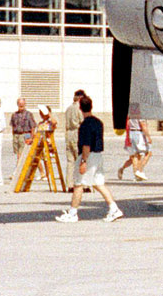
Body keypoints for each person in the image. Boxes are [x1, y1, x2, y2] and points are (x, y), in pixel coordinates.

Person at [57, 96, 121, 224]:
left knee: (79, 184)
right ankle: (114, 208)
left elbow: (86, 145)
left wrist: (83, 161)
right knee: (98, 183)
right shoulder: (98, 122)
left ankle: (73, 213)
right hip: (98, 155)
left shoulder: (85, 125)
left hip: (89, 156)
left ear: (80, 108)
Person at [118, 106, 152, 180]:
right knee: (148, 153)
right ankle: (139, 171)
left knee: (135, 156)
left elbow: (127, 124)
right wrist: (148, 137)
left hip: (131, 133)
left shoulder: (131, 112)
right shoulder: (140, 113)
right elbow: (143, 125)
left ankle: (136, 174)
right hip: (138, 133)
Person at [62, 90, 86, 182]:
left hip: (68, 134)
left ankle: (70, 184)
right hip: (77, 133)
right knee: (81, 159)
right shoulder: (79, 109)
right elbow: (83, 122)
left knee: (70, 161)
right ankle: (83, 183)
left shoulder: (68, 108)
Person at [9, 96, 36, 177]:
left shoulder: (29, 114)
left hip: (25, 135)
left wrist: (32, 137)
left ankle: (17, 172)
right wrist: (13, 136)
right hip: (17, 135)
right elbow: (13, 126)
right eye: (19, 104)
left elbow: (32, 127)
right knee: (20, 154)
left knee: (20, 155)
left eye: (22, 104)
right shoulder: (14, 115)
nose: (21, 106)